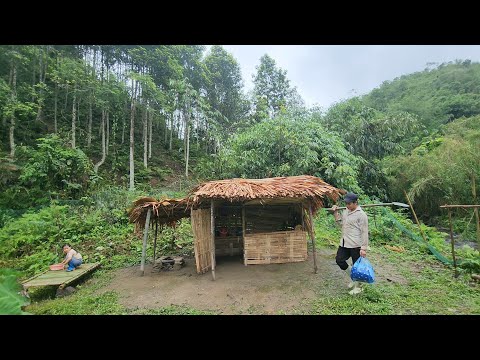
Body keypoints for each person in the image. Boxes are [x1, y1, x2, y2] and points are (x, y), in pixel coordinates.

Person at [332, 192, 369, 295]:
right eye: (346, 203)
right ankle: (353, 278)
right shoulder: (346, 211)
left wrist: (363, 248)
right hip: (344, 242)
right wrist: (335, 213)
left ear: (355, 203)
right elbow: (341, 223)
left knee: (357, 266)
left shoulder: (361, 215)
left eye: (349, 204)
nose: (347, 205)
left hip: (356, 244)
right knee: (339, 260)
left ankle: (359, 287)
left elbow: (364, 232)